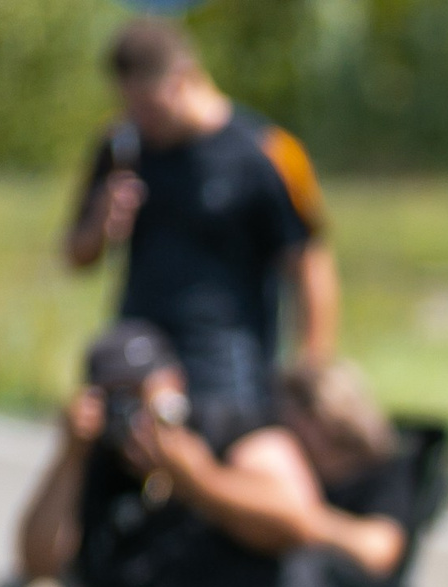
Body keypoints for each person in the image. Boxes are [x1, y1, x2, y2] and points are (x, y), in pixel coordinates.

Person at [0, 321, 407, 587]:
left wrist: (199, 480)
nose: (134, 415)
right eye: (117, 399)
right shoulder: (96, 456)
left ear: (174, 384)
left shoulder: (230, 432)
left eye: (142, 395)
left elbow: (295, 517)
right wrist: (70, 456)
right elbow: (37, 564)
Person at [64, 18, 338, 452]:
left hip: (229, 371)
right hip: (138, 356)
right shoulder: (122, 146)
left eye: (149, 107)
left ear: (184, 78)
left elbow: (309, 261)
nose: (140, 120)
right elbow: (76, 257)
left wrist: (312, 368)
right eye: (130, 107)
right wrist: (101, 221)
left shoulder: (267, 152)